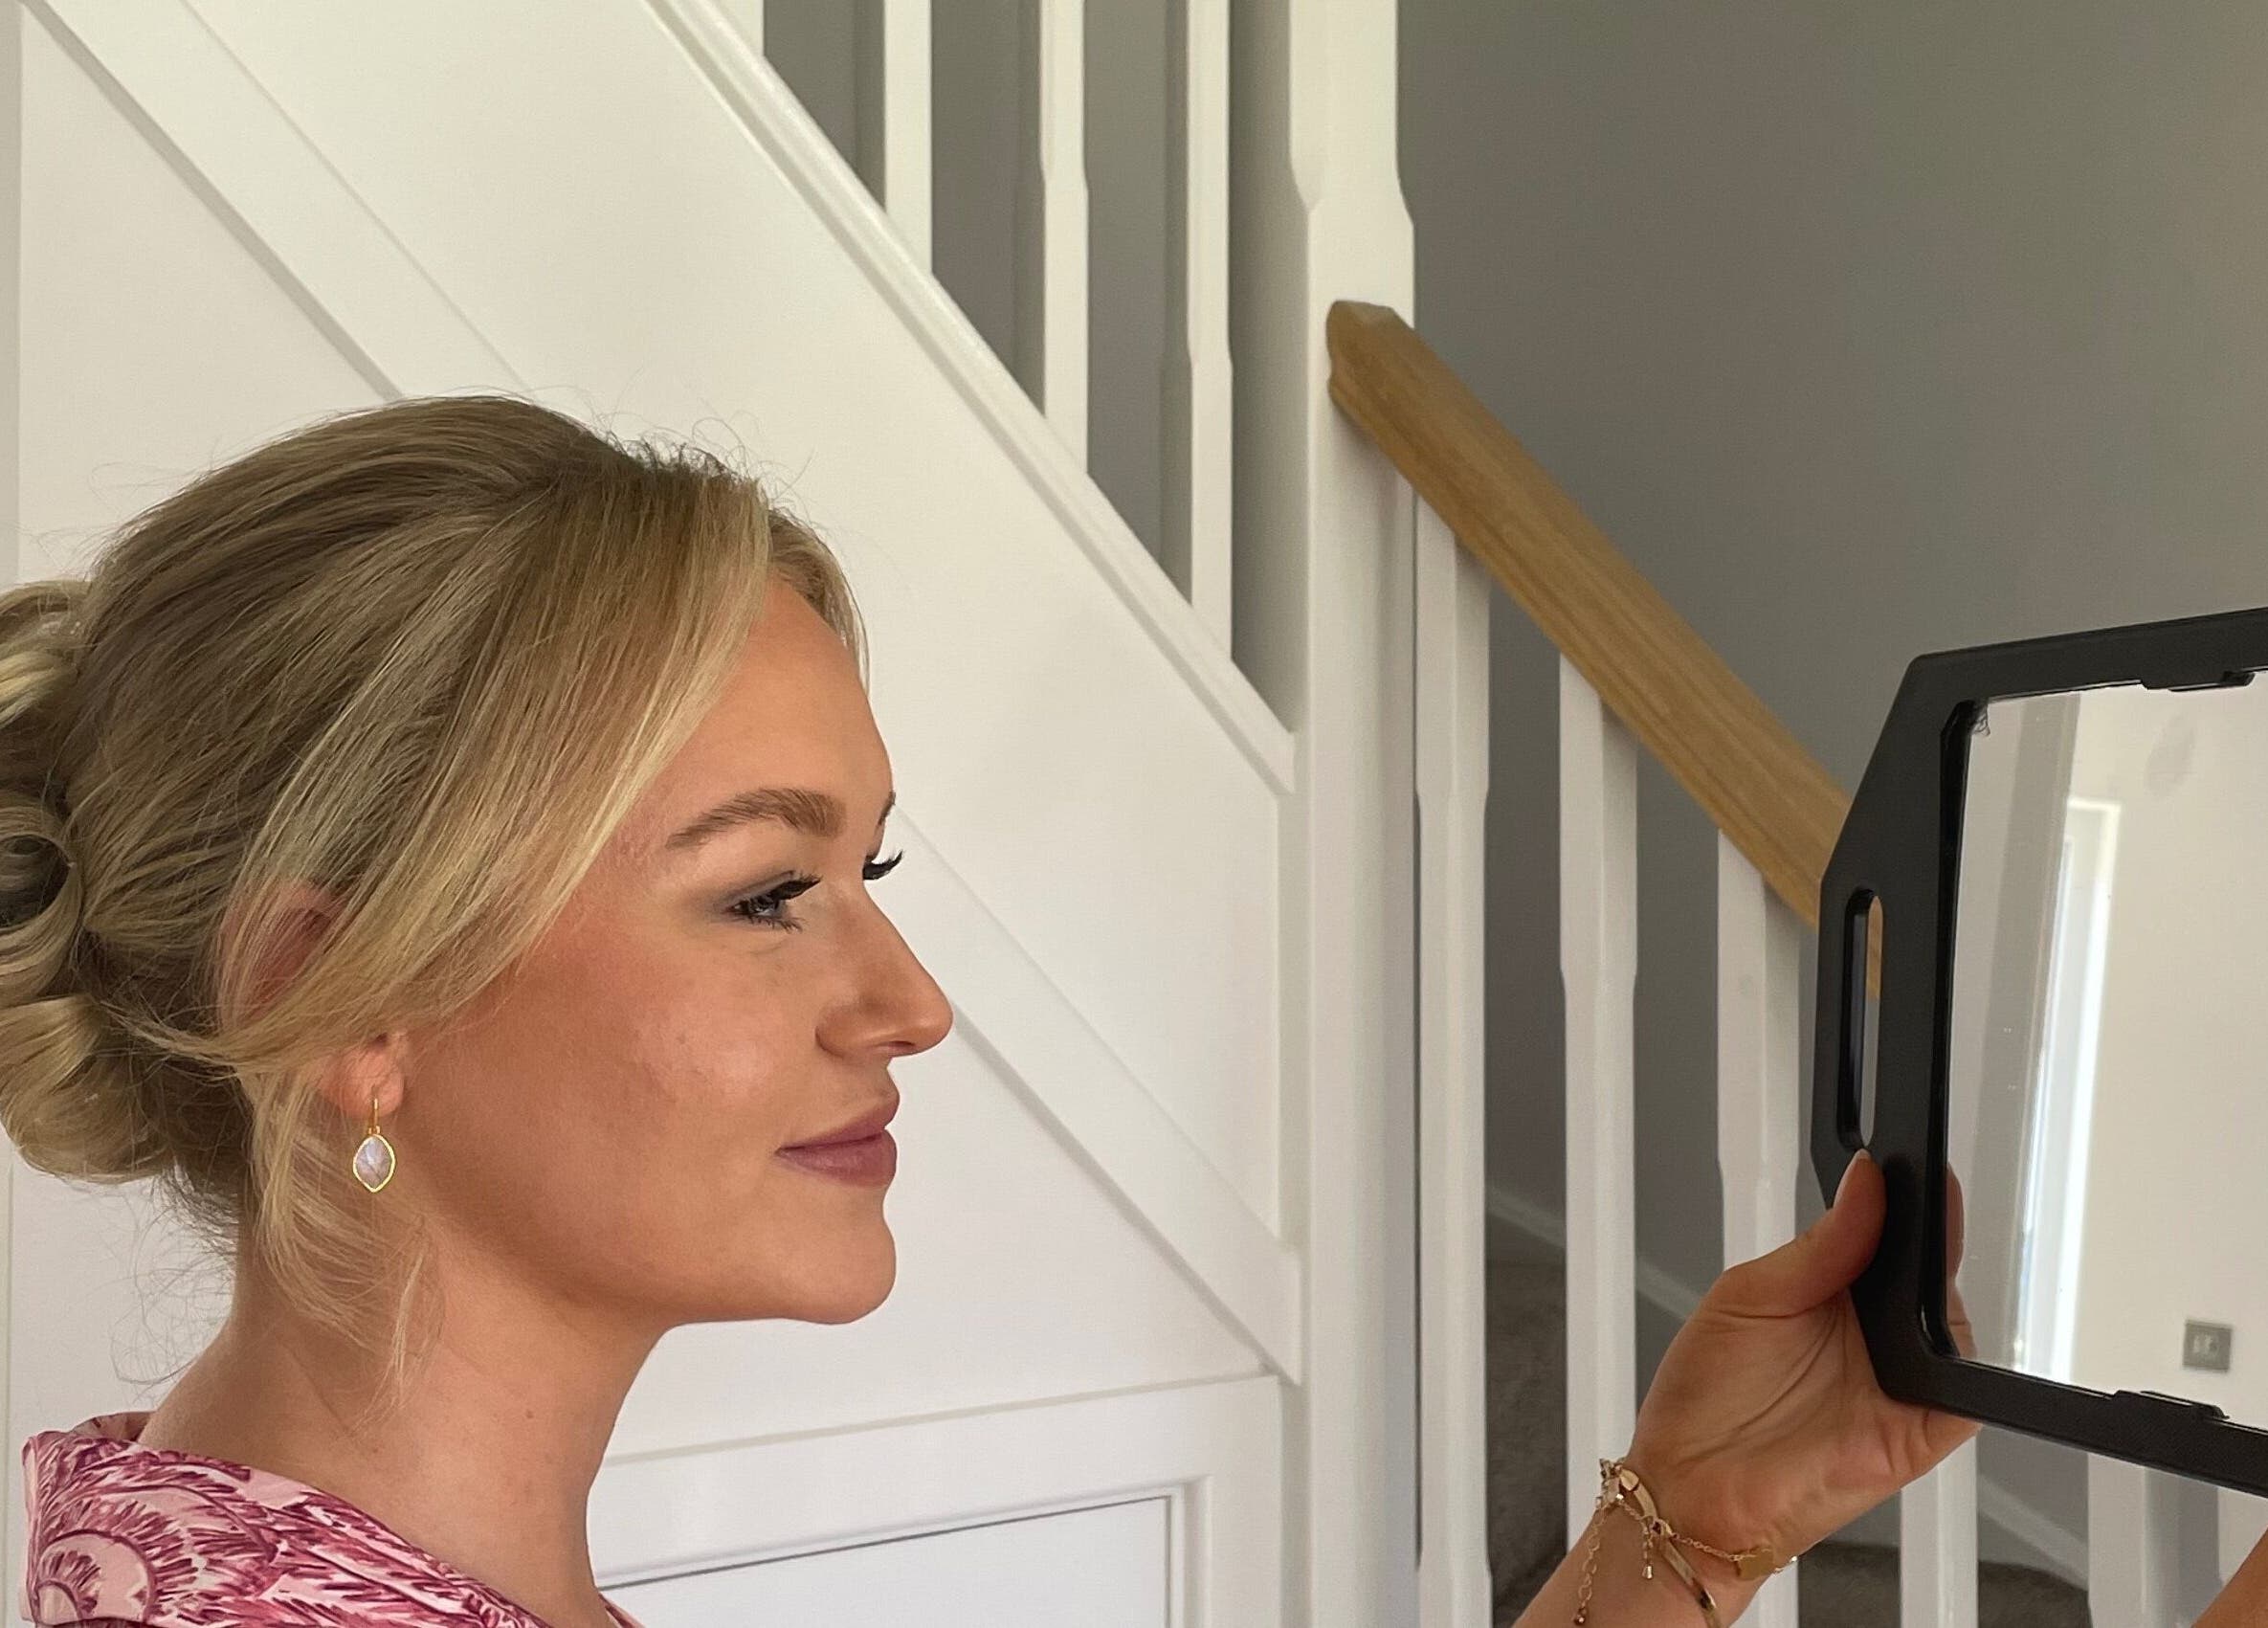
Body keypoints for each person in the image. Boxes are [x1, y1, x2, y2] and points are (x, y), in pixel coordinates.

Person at [0, 397, 2256, 1628]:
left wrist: (1686, 1521)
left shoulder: (238, 1540)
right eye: (768, 891)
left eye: (866, 870)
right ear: (330, 991)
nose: (909, 997)